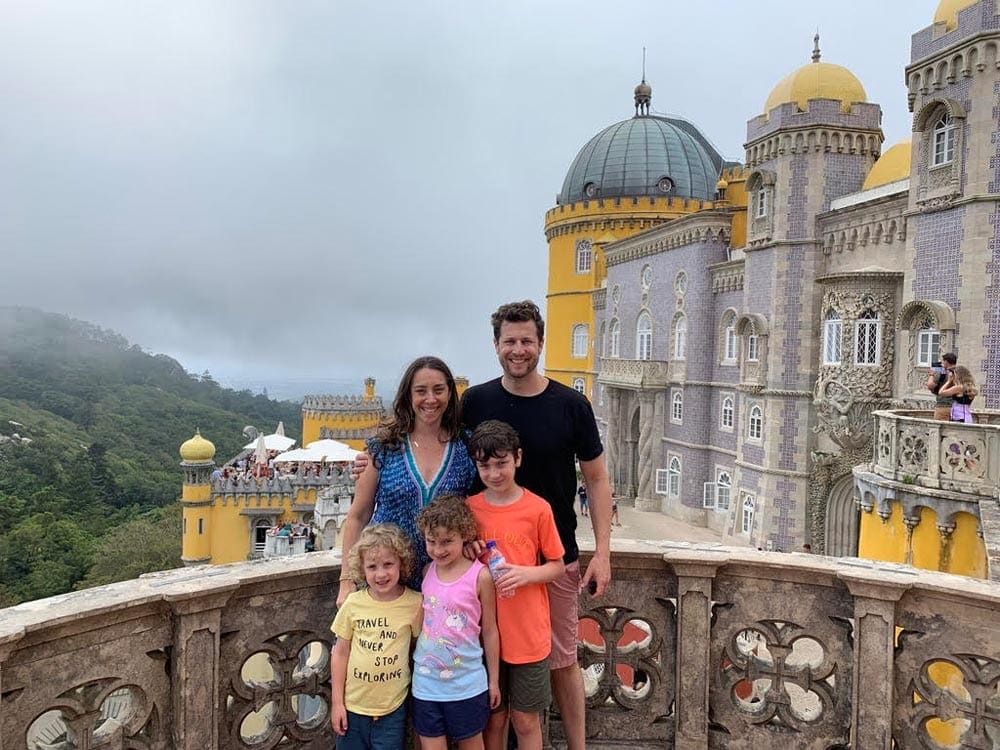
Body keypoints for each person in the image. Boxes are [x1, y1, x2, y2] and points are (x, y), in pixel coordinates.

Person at [459, 300, 612, 750]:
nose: (518, 349)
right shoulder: (477, 401)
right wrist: (373, 457)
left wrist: (602, 553)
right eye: (510, 341)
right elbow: (434, 438)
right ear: (496, 345)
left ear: (541, 343)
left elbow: (597, 478)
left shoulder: (571, 404)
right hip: (488, 562)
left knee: (563, 659)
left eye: (527, 340)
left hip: (553, 558)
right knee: (490, 657)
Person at [339, 356, 477, 601]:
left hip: (444, 585)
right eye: (421, 391)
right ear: (408, 396)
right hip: (388, 583)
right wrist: (346, 580)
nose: (430, 399)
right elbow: (358, 516)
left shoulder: (465, 446)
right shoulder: (383, 447)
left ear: (449, 394)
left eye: (438, 390)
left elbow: (476, 507)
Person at [465, 420, 565, 750]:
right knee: (493, 719)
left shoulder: (538, 509)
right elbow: (459, 564)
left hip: (527, 634)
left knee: (525, 720)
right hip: (482, 635)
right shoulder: (470, 509)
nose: (494, 473)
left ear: (518, 458)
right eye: (485, 465)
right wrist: (468, 551)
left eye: (501, 463)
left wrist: (525, 574)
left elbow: (557, 566)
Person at [412, 494, 501, 750]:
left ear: (464, 535)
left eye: (447, 542)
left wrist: (493, 681)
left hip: (467, 685)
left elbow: (490, 631)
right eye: (431, 541)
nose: (438, 550)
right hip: (426, 685)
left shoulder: (480, 576)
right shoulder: (427, 572)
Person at [330, 524, 423, 750]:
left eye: (388, 564)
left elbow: (414, 649)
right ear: (362, 569)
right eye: (372, 566)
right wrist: (337, 703)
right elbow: (340, 653)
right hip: (353, 708)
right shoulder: (353, 603)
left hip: (392, 709)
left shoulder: (415, 603)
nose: (380, 574)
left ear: (402, 563)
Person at [927, 352, 958, 421]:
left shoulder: (942, 373)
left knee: (940, 430)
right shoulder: (961, 372)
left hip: (943, 406)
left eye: (943, 361)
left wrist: (931, 374)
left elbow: (930, 386)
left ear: (946, 361)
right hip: (958, 408)